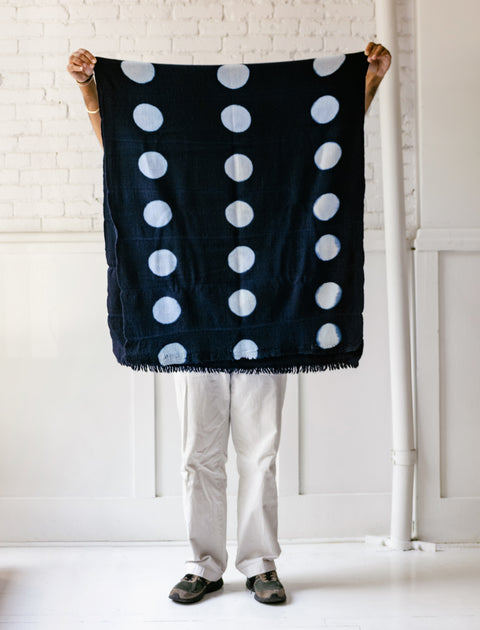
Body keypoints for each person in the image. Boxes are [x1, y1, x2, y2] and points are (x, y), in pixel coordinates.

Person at [67, 40, 391, 606]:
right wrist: (92, 89)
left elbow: (322, 141)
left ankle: (260, 562)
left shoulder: (275, 149)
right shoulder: (179, 149)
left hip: (267, 311)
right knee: (199, 453)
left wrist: (367, 82)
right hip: (193, 318)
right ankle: (203, 564)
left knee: (259, 450)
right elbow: (128, 148)